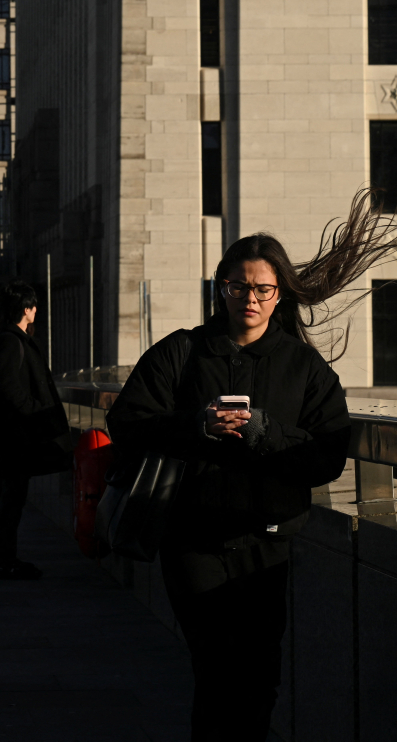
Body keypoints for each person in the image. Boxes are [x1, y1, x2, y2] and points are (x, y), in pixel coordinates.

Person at [106, 219, 370, 740]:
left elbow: (329, 454)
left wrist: (268, 434)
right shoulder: (181, 351)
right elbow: (127, 421)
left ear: (278, 296)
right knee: (216, 667)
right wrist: (196, 425)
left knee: (259, 674)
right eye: (238, 286)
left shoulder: (305, 367)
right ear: (220, 289)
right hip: (190, 540)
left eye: (262, 288)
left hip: (267, 543)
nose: (250, 297)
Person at [0, 281, 70, 580]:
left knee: (11, 501)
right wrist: (33, 412)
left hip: (12, 438)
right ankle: (3, 561)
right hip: (13, 439)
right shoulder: (10, 341)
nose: (36, 311)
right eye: (33, 306)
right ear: (27, 309)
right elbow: (8, 387)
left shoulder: (12, 339)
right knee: (11, 502)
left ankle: (4, 558)